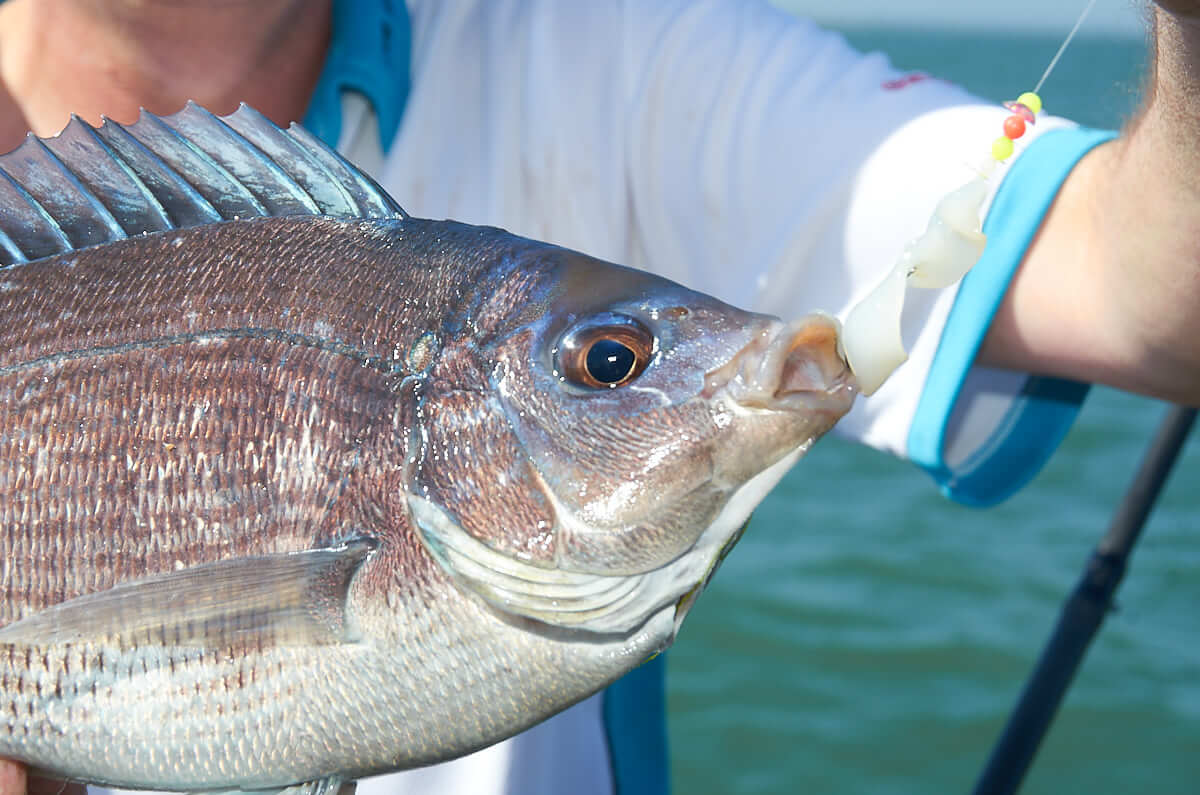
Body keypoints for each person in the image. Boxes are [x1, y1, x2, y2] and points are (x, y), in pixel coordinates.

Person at [0, 1, 1197, 793]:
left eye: (603, 363)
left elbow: (1146, 295)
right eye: (609, 365)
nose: (640, 372)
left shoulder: (613, 51)